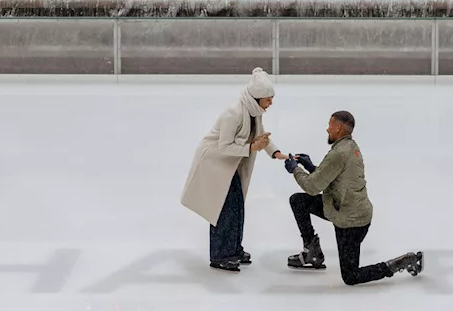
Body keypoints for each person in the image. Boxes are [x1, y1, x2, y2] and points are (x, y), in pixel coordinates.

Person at [285, 110, 423, 284]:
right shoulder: (350, 147)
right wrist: (311, 167)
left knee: (350, 276)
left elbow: (312, 187)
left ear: (339, 127)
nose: (327, 129)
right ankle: (312, 252)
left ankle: (400, 263)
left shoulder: (339, 153)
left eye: (330, 125)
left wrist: (295, 169)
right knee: (298, 201)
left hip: (352, 222)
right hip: (343, 208)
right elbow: (332, 178)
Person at [180, 67, 289, 271]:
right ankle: (220, 254)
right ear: (257, 98)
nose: (271, 103)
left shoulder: (254, 111)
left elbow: (261, 134)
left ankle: (234, 248)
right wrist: (251, 147)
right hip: (215, 164)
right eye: (268, 99)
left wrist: (274, 152)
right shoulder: (234, 113)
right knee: (223, 209)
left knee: (237, 206)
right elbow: (224, 146)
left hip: (230, 165)